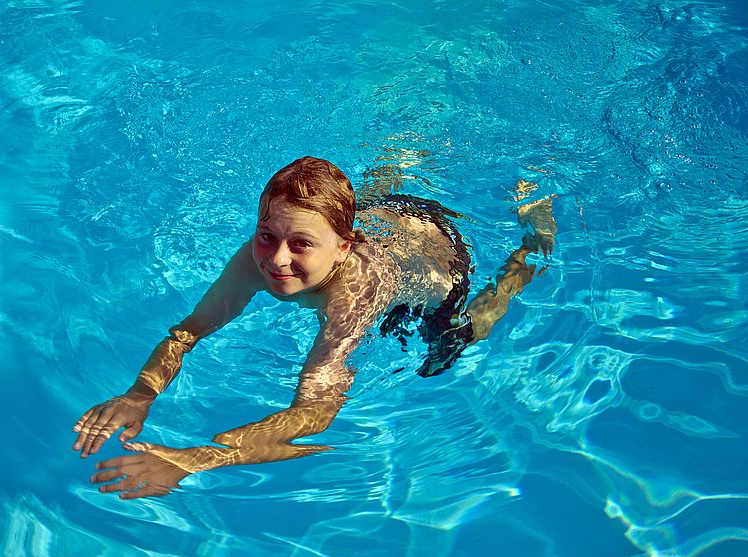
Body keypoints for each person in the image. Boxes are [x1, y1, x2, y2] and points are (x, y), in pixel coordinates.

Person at [72, 156, 556, 498]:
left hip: (436, 260)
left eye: (298, 244)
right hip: (378, 217)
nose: (276, 260)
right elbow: (188, 332)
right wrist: (140, 394)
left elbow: (314, 413)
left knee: (459, 339)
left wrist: (190, 460)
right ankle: (393, 164)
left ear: (343, 248)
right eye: (267, 236)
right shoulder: (257, 257)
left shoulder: (353, 296)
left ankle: (535, 237)